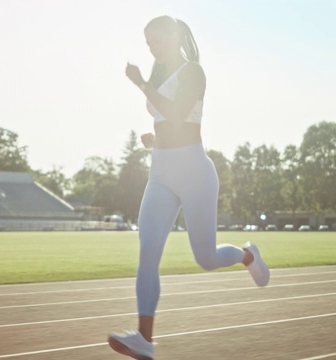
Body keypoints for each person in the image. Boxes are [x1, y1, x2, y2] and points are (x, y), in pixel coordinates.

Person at [108, 15, 270, 360]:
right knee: (147, 254)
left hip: (196, 173)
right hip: (161, 174)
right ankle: (144, 339)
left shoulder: (193, 72)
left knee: (206, 258)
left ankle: (248, 255)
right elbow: (168, 121)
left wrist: (140, 84)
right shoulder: (158, 73)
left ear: (175, 36)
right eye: (147, 42)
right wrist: (157, 138)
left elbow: (179, 114)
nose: (152, 47)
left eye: (157, 40)